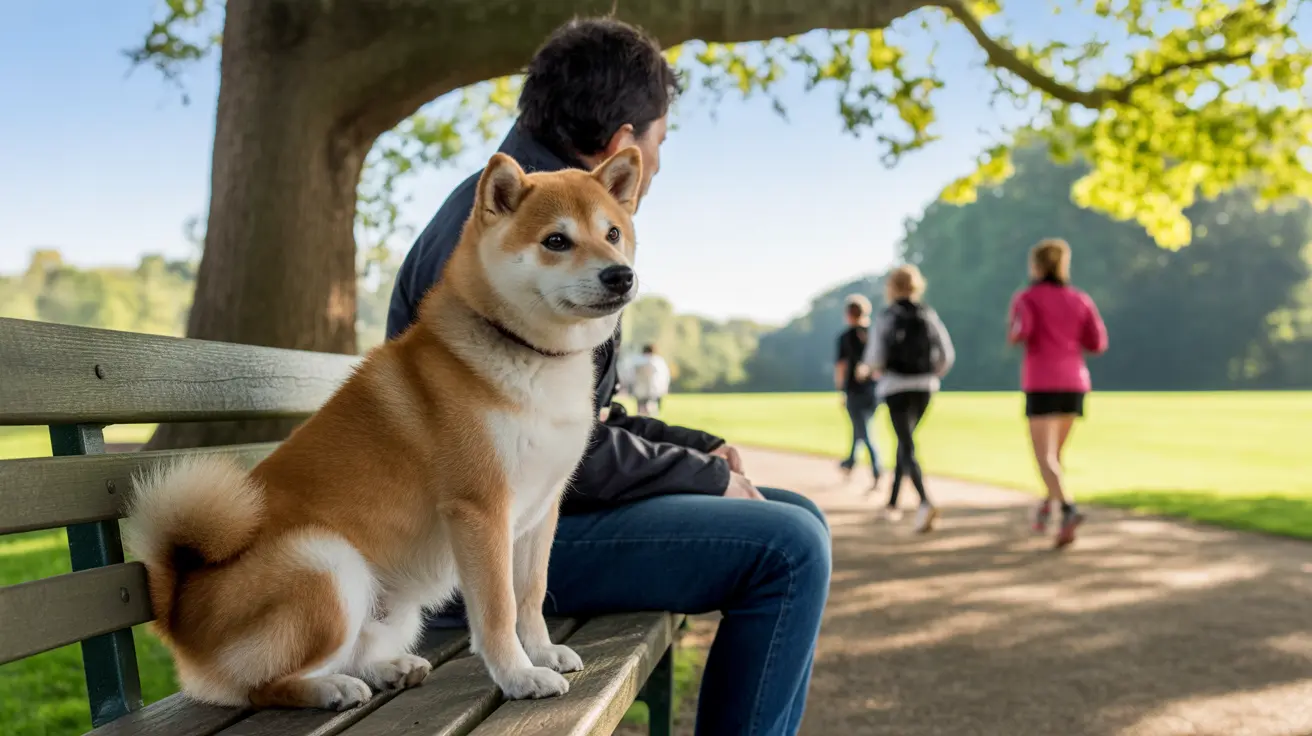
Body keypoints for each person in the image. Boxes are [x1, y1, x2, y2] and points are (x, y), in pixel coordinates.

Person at [386, 18, 830, 736]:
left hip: (532, 509)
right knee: (789, 548)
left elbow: (585, 414)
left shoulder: (561, 210)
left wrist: (698, 448)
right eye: (662, 140)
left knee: (797, 516)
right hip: (462, 549)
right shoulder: (506, 226)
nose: (659, 161)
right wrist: (704, 479)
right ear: (626, 140)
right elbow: (532, 448)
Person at [1008, 238, 1108, 548]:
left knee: (1045, 458)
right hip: (1075, 383)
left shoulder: (1027, 298)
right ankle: (1047, 506)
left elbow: (1020, 332)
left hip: (1042, 382)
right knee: (1056, 458)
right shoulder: (1080, 300)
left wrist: (1016, 330)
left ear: (1036, 266)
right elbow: (1097, 343)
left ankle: (1067, 508)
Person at [861, 265, 954, 533]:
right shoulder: (927, 314)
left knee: (906, 444)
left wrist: (867, 370)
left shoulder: (887, 316)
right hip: (925, 387)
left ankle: (925, 501)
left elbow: (875, 358)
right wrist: (930, 373)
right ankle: (892, 503)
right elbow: (947, 354)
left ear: (891, 287)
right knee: (906, 443)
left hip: (895, 388)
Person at [834, 294, 881, 489]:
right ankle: (850, 462)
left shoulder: (846, 337)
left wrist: (840, 390)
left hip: (854, 391)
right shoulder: (875, 335)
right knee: (859, 428)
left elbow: (841, 366)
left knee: (863, 431)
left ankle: (877, 469)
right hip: (874, 391)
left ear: (848, 314)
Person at [628, 344, 671, 416]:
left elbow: (630, 374)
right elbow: (664, 376)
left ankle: (640, 418)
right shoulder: (657, 361)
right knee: (652, 408)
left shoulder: (636, 360)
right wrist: (664, 387)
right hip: (653, 389)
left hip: (640, 388)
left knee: (641, 408)